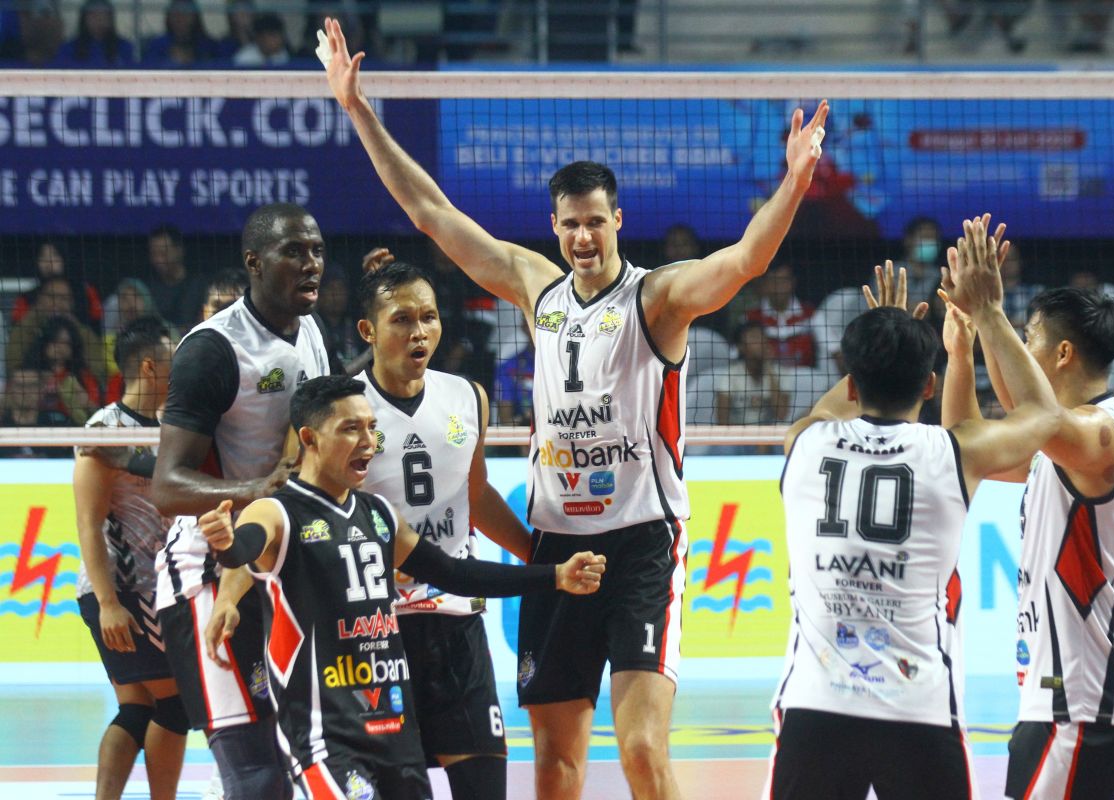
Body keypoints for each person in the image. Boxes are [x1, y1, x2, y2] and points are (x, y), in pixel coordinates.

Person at [322, 17, 829, 798]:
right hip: (556, 546)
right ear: (554, 228)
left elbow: (745, 261)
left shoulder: (657, 299)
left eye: (596, 221)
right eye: (571, 224)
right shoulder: (538, 290)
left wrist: (794, 183)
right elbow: (432, 214)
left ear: (617, 220)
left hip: (642, 544)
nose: (584, 236)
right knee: (556, 763)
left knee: (641, 750)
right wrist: (358, 110)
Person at [197, 374, 605, 800]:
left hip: (393, 733)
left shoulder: (378, 513)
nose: (368, 442)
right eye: (351, 429)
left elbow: (453, 573)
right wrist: (227, 544)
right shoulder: (277, 511)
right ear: (309, 438)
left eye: (371, 427)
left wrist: (554, 575)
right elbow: (245, 547)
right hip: (326, 738)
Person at [770, 220, 1061, 799]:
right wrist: (988, 314)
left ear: (853, 383)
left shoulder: (804, 442)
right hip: (919, 711)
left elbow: (835, 404)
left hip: (814, 708)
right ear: (929, 387)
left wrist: (883, 333)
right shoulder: (954, 453)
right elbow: (1045, 415)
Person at [943, 265, 1114, 799]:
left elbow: (1032, 412)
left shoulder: (1100, 435)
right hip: (1068, 705)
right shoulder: (1056, 448)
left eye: (1029, 337)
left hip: (1088, 706)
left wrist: (990, 314)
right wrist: (962, 350)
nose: (1020, 346)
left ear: (1062, 354)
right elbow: (965, 441)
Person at [151, 202, 333, 800]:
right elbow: (167, 485)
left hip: (279, 571)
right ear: (254, 263)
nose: (311, 264)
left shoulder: (312, 330)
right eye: (293, 252)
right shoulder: (213, 348)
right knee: (254, 774)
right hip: (208, 572)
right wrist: (254, 491)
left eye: (316, 251)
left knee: (295, 764)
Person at [352, 261, 534, 798]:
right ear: (368, 330)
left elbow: (475, 495)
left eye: (428, 317)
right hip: (377, 632)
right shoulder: (343, 407)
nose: (419, 332)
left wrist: (537, 556)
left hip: (458, 628)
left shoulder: (467, 396)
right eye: (401, 319)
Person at [73, 316, 189, 800]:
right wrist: (108, 603)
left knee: (138, 711)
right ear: (148, 366)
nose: (182, 368)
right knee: (178, 707)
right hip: (125, 592)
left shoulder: (172, 426)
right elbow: (88, 522)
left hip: (154, 590)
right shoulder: (103, 430)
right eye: (173, 360)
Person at [145, 225, 209, 331]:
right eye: (154, 254)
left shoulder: (200, 286)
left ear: (179, 250)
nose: (158, 260)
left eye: (163, 253)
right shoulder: (147, 289)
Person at [141, 0, 221, 67]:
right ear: (168, 17)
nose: (180, 19)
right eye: (176, 14)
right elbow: (149, 70)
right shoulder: (157, 45)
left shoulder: (209, 46)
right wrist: (171, 61)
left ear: (195, 17)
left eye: (185, 13)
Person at [54, 0, 133, 66]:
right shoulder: (69, 49)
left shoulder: (124, 47)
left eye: (104, 17)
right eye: (94, 16)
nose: (99, 21)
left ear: (111, 20)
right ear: (84, 20)